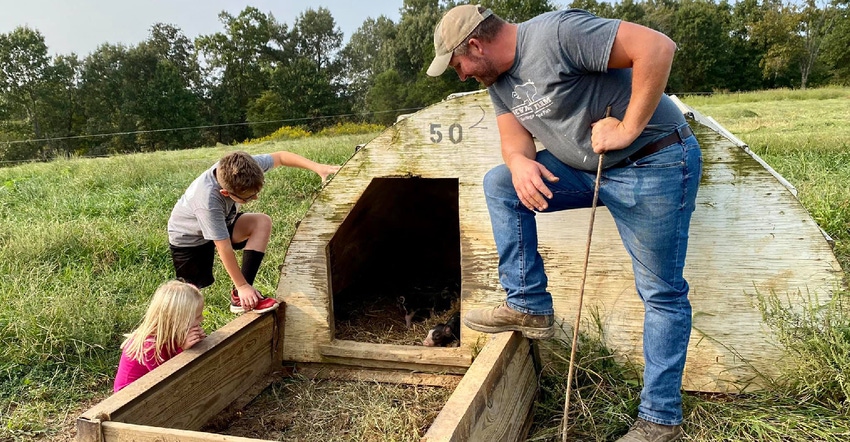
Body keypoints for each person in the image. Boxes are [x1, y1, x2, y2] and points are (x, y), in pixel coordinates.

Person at [427, 5, 701, 442]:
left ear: (474, 45)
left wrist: (628, 129)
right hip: (589, 172)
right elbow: (515, 143)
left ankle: (660, 419)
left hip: (654, 163)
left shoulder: (556, 33)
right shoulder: (498, 82)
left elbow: (656, 47)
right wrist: (518, 164)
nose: (460, 75)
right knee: (501, 183)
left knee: (661, 292)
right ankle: (529, 304)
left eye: (458, 65)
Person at [167, 150, 340, 314]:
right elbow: (223, 247)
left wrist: (318, 168)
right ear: (225, 192)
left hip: (224, 220)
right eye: (248, 197)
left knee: (261, 222)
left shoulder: (244, 167)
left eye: (256, 193)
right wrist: (242, 285)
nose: (255, 198)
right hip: (189, 238)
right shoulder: (208, 202)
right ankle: (177, 328)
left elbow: (281, 157)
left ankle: (240, 297)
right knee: (190, 291)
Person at [114, 280, 206, 392]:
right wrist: (182, 350)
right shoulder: (149, 347)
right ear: (178, 320)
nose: (202, 319)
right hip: (131, 399)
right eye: (197, 317)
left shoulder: (173, 331)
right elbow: (164, 379)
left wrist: (196, 342)